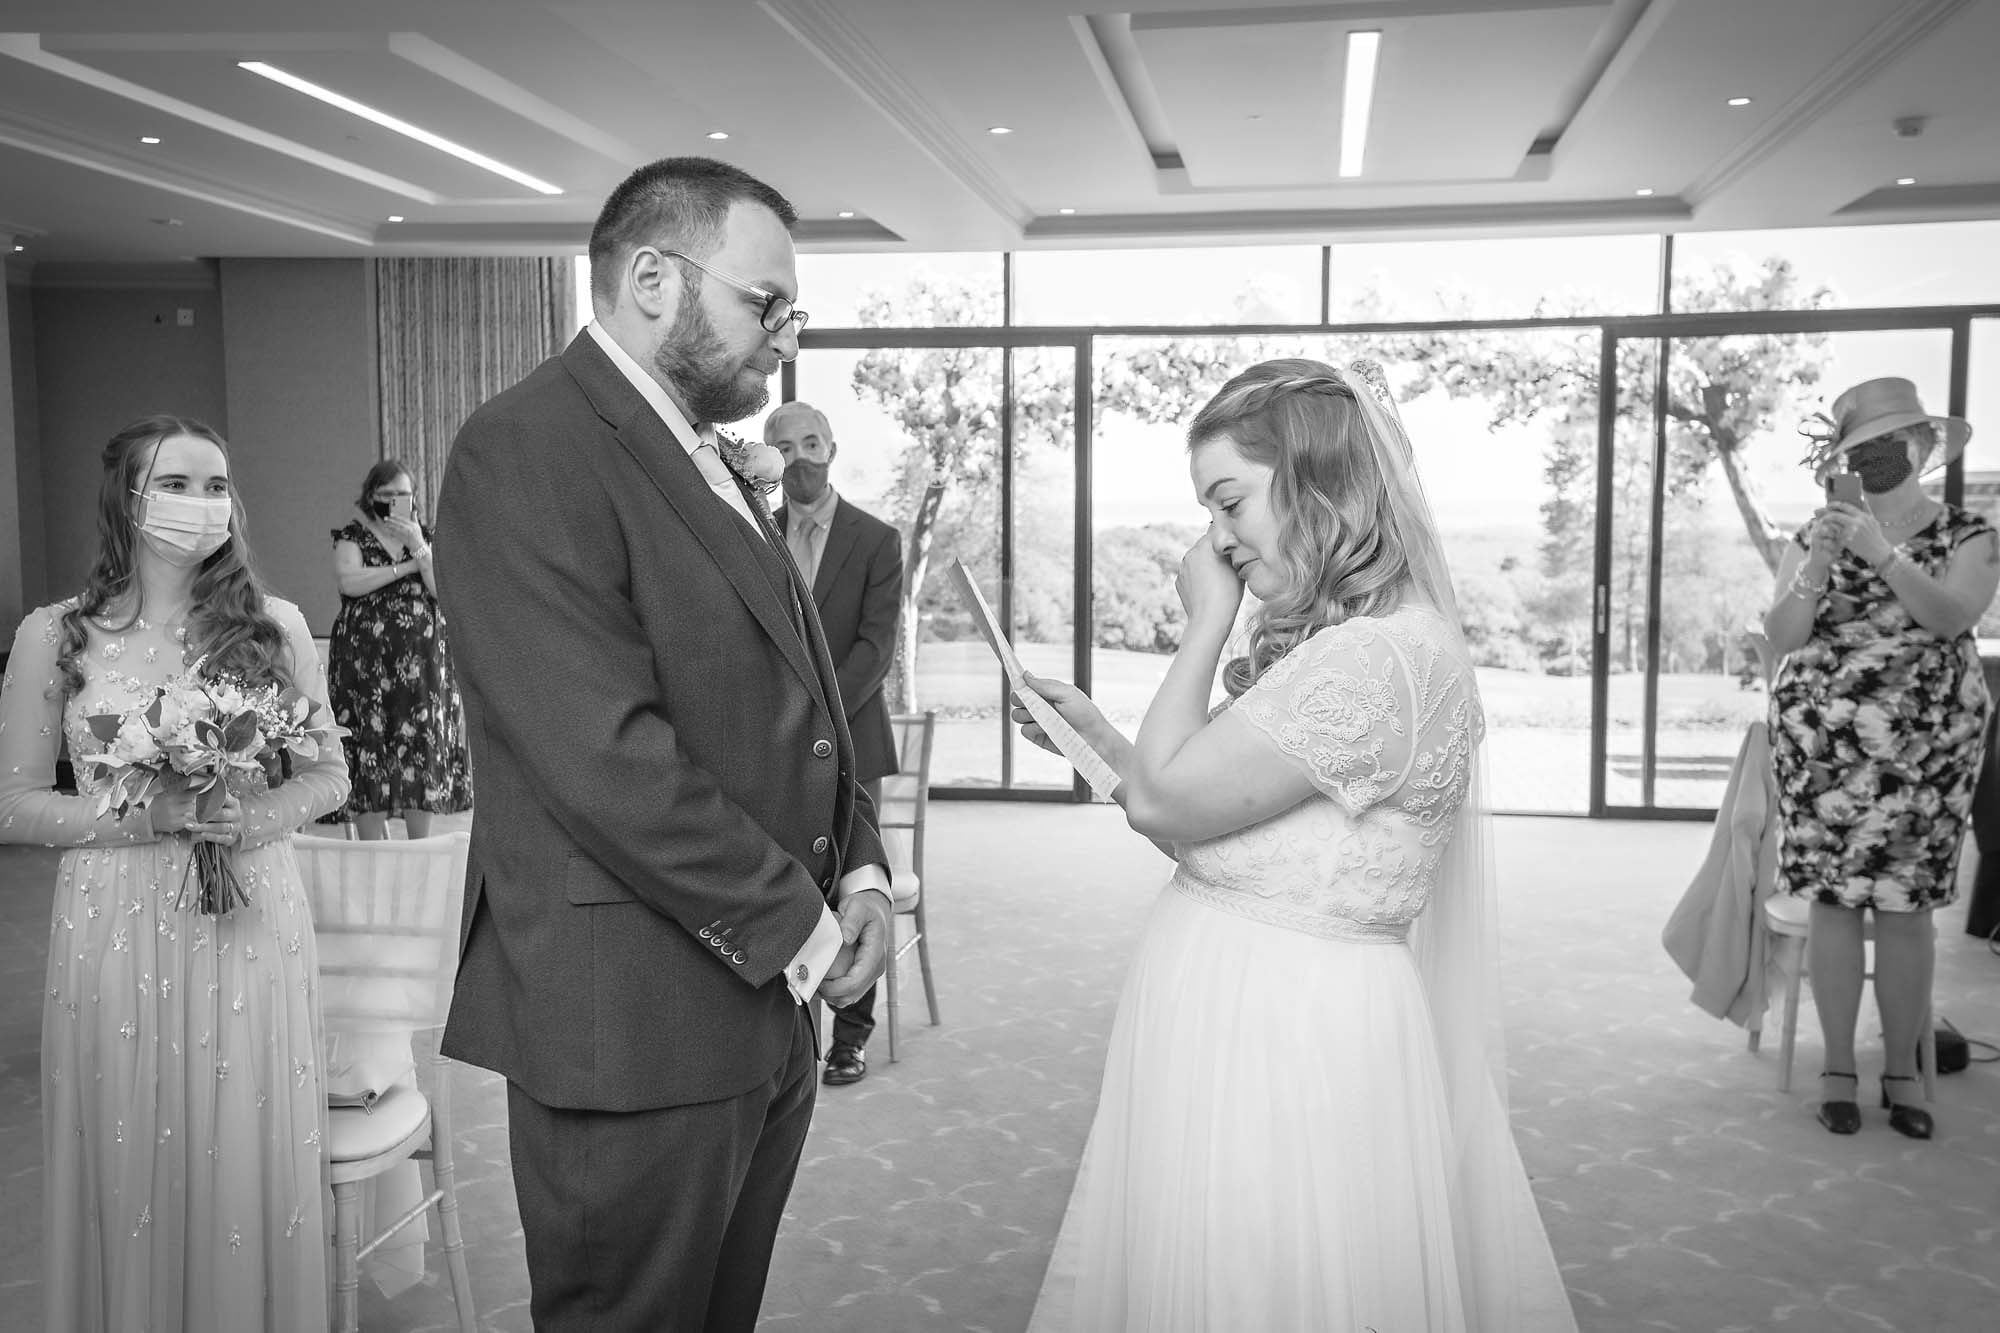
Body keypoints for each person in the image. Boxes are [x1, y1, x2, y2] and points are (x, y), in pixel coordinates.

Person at [1012, 359, 1575, 1331]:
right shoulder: (1346, 646)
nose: (1216, 540)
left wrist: (1200, 630)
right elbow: (1229, 849)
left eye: (1228, 501)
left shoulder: (1376, 657)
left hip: (1290, 1037)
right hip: (1242, 1013)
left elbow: (1164, 803)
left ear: (1319, 481)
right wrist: (1099, 744)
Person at [434, 157, 893, 1331]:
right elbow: (604, 758)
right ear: (650, 276)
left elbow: (804, 699)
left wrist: (860, 863)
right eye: (765, 303)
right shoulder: (526, 445)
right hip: (633, 1020)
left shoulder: (701, 445)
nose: (783, 338)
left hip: (755, 1007)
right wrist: (803, 926)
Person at [0, 414, 350, 1332]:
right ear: (128, 499)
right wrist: (140, 814)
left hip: (249, 917)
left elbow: (329, 773)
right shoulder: (56, 636)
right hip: (114, 923)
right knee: (130, 1152)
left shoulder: (275, 625)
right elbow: (15, 804)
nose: (205, 506)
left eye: (218, 485)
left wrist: (253, 817)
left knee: (240, 1148)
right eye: (179, 484)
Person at [1764, 376, 1996, 1140]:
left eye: (1894, 442)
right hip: (1824, 751)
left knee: (1906, 912)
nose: (1881, 457)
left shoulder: (1971, 535)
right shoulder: (1813, 533)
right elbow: (1785, 636)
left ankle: (1902, 1069)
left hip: (1928, 751)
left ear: (1926, 447)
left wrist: (1882, 552)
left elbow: (1951, 616)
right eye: (1864, 449)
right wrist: (1820, 563)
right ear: (1847, 461)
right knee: (1833, 903)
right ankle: (1837, 1065)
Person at [769, 400, 904, 1086]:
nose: (800, 459)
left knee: (854, 881)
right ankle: (795, 1033)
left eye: (811, 443)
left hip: (850, 740)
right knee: (791, 885)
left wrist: (817, 718)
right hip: (771, 747)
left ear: (832, 447)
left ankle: (852, 1035)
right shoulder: (753, 535)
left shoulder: (877, 540)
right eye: (784, 447)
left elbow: (875, 649)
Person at [326, 460, 473, 839]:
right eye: (385, 494)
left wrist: (418, 549)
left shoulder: (428, 536)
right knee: (368, 744)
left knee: (418, 743)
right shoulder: (352, 536)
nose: (393, 501)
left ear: (414, 497)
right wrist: (403, 569)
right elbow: (350, 582)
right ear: (370, 496)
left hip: (421, 670)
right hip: (364, 668)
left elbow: (444, 590)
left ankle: (417, 848)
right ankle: (373, 849)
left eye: (401, 494)